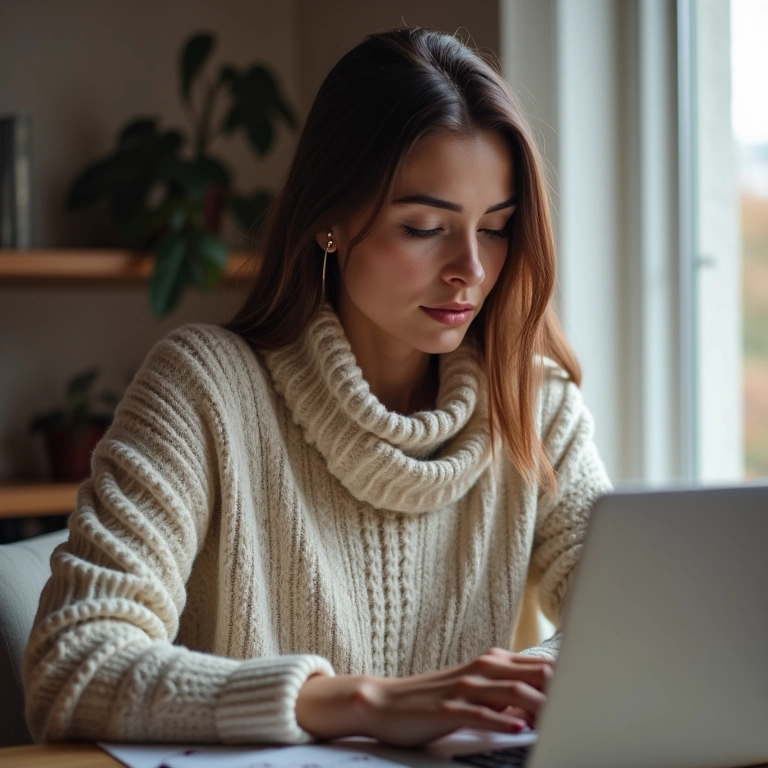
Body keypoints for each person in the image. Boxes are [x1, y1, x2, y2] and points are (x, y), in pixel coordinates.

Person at [22, 27, 611, 748]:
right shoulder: (203, 389)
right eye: (424, 226)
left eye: (495, 228)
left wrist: (527, 685)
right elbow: (71, 665)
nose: (471, 270)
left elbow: (626, 622)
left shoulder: (535, 404)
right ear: (331, 221)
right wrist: (364, 702)